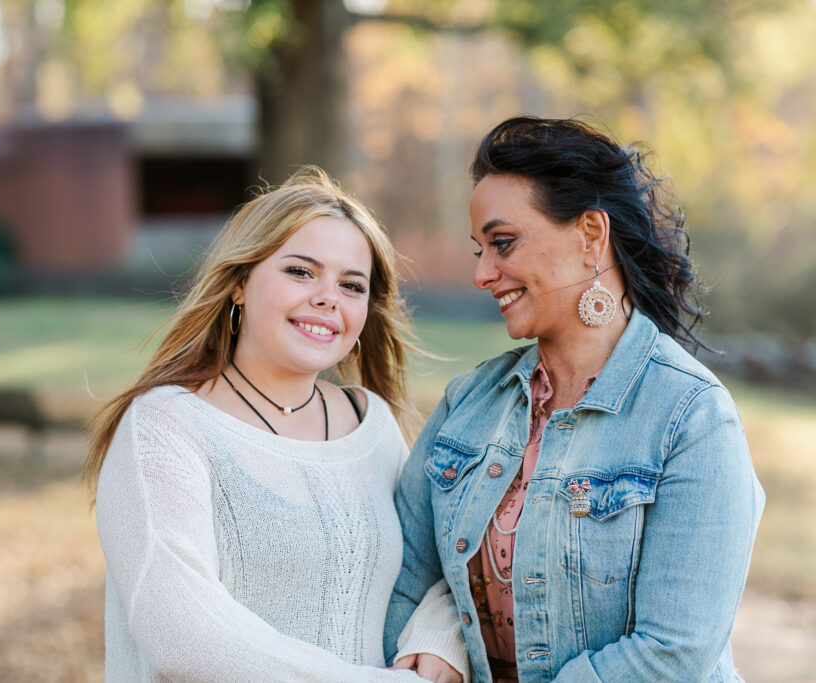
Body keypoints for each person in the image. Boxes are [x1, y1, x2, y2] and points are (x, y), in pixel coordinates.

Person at [384, 117, 765, 682]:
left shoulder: (690, 416)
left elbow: (674, 651)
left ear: (590, 234)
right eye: (479, 250)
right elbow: (401, 584)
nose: (482, 273)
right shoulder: (468, 404)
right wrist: (436, 636)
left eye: (503, 243)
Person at [84, 167, 466, 682]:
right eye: (301, 272)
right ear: (239, 282)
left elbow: (442, 560)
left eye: (351, 285)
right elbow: (184, 636)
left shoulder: (371, 427)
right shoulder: (164, 428)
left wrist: (440, 636)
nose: (328, 297)